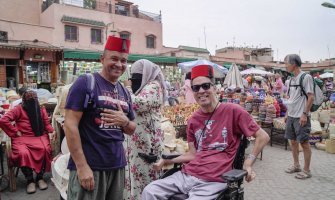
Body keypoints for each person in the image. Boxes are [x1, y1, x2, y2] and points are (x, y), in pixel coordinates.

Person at [142, 65, 269, 200]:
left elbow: (263, 136)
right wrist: (166, 160)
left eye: (206, 86)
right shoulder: (193, 120)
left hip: (214, 180)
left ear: (214, 87)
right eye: (196, 88)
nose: (201, 91)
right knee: (149, 191)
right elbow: (192, 154)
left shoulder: (233, 111)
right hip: (186, 175)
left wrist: (248, 164)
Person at [64, 36, 136, 200]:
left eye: (123, 60)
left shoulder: (124, 92)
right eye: (114, 59)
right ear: (102, 59)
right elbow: (69, 124)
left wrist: (124, 121)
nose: (119, 64)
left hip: (117, 165)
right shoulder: (86, 82)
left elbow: (132, 128)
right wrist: (81, 167)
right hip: (91, 167)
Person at [122, 59, 166, 200]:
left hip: (148, 141)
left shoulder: (153, 85)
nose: (134, 80)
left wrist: (128, 89)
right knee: (135, 175)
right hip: (136, 139)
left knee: (146, 176)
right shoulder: (141, 88)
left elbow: (139, 104)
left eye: (137, 76)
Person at [0, 90, 56, 194]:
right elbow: (3, 120)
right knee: (22, 153)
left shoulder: (40, 109)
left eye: (34, 100)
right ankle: (30, 180)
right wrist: (15, 131)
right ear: (25, 101)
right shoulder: (18, 109)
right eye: (30, 101)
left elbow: (46, 124)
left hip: (39, 136)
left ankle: (40, 177)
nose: (33, 102)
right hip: (23, 138)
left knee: (45, 149)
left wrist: (52, 131)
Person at [284, 54, 314, 179]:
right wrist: (286, 114)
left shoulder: (305, 77)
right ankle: (296, 165)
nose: (285, 66)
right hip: (291, 116)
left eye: (286, 63)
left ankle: (306, 170)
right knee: (293, 142)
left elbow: (311, 97)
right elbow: (290, 99)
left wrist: (304, 114)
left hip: (301, 116)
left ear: (294, 64)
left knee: (304, 143)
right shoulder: (290, 80)